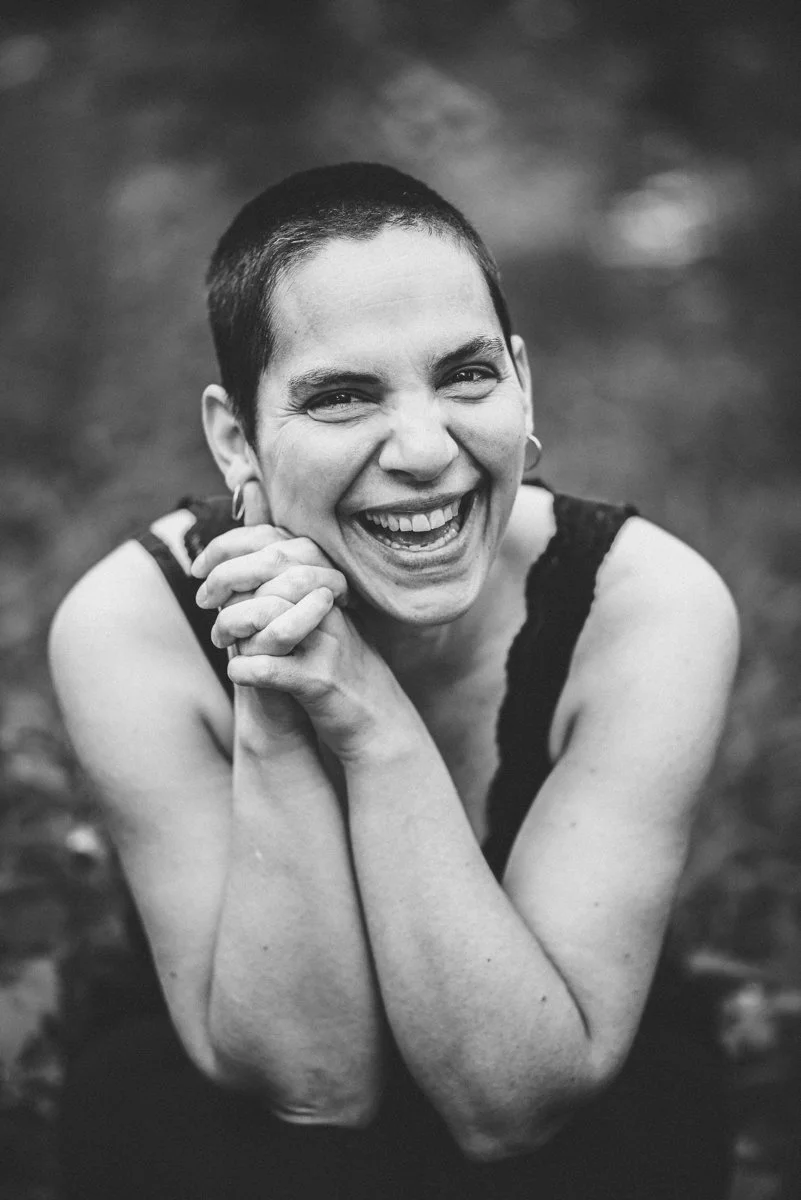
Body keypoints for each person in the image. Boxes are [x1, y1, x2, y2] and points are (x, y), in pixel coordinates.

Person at [49, 162, 739, 1199]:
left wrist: (368, 718)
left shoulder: (649, 608)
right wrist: (278, 703)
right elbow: (310, 1086)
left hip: (554, 1041)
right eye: (341, 395)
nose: (425, 450)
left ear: (523, 383)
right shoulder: (126, 626)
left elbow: (512, 1103)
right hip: (241, 1064)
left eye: (465, 375)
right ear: (236, 436)